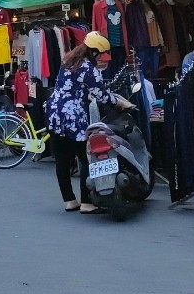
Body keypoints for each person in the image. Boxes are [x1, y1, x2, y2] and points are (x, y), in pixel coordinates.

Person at [46, 31, 135, 214]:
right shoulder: (87, 67)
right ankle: (86, 203)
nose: (101, 58)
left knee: (62, 160)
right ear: (95, 51)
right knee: (85, 156)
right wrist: (119, 103)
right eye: (100, 54)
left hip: (54, 113)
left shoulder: (68, 60)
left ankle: (70, 200)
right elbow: (101, 94)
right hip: (72, 116)